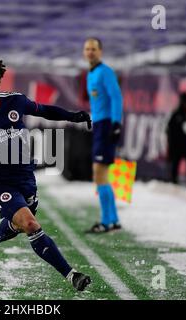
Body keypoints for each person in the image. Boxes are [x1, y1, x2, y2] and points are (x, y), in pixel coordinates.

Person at [0, 53, 93, 291]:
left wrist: (73, 116)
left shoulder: (16, 102)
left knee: (18, 225)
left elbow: (44, 110)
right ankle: (72, 275)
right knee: (30, 224)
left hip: (26, 178)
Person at [82, 38, 123, 233]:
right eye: (87, 49)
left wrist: (116, 123)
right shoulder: (91, 73)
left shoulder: (105, 72)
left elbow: (116, 96)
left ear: (101, 52)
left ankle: (106, 221)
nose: (90, 52)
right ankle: (112, 219)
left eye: (94, 49)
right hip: (99, 124)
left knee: (99, 172)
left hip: (107, 125)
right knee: (101, 174)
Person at [166, 92, 186, 186]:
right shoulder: (176, 114)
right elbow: (169, 129)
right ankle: (173, 180)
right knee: (175, 163)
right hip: (177, 145)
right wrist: (171, 143)